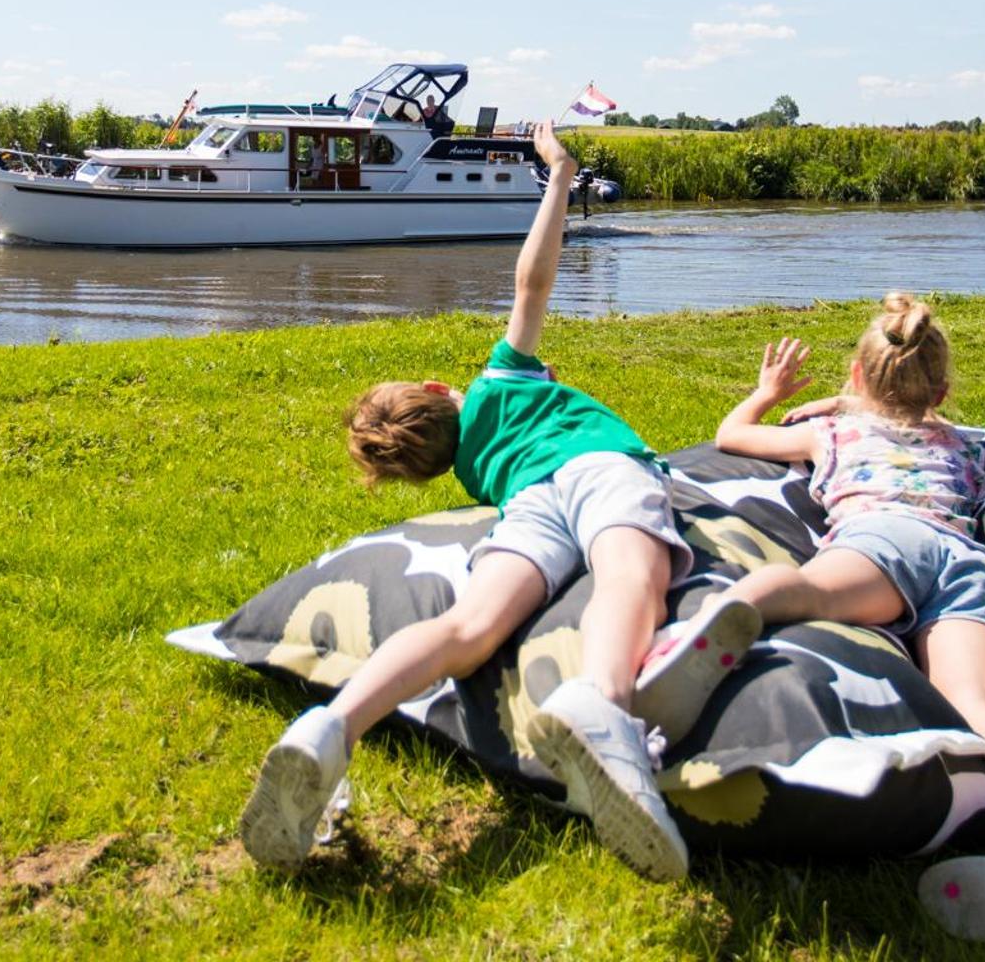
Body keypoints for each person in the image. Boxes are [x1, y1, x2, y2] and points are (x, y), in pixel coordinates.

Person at [238, 120, 760, 883]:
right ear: (438, 392)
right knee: (628, 578)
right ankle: (605, 708)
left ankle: (333, 726)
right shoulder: (502, 379)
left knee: (469, 626)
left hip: (529, 507)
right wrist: (557, 175)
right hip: (601, 470)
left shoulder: (480, 475)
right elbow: (531, 281)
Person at [689, 294, 985, 939]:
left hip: (884, 541)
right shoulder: (960, 441)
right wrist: (863, 399)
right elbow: (916, 409)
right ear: (944, 389)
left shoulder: (832, 432)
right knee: (982, 704)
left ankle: (713, 627)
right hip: (967, 561)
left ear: (856, 377)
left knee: (808, 591)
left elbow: (733, 436)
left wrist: (768, 392)